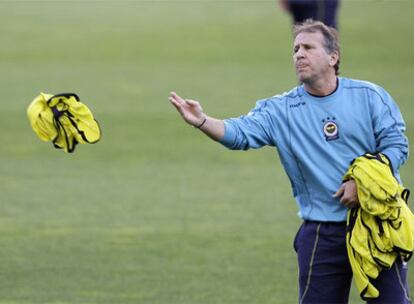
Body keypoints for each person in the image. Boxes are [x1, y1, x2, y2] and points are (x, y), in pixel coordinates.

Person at [169, 20, 410, 304]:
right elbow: (240, 134)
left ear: (333, 57)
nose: (299, 54)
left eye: (308, 47)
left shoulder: (369, 97)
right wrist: (202, 121)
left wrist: (363, 185)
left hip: (376, 223)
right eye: (296, 49)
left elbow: (396, 145)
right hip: (322, 232)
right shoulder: (280, 110)